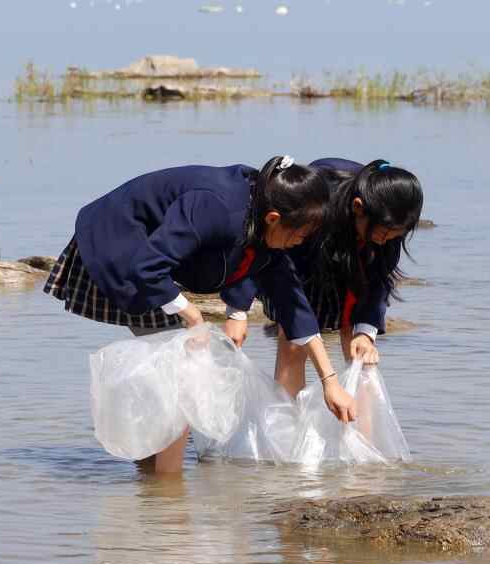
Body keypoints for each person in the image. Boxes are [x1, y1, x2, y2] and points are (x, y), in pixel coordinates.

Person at [44, 156, 357, 472]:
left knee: (174, 377)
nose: (302, 243)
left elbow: (295, 306)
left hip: (156, 263)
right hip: (120, 244)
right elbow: (148, 268)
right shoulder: (216, 207)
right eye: (302, 234)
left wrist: (330, 382)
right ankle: (168, 488)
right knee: (183, 376)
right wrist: (192, 316)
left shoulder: (266, 229)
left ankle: (151, 475)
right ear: (274, 219)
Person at [264, 158, 424, 397]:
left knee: (360, 352)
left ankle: (358, 421)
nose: (387, 240)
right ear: (358, 207)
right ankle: (289, 418)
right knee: (293, 343)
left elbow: (378, 282)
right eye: (384, 233)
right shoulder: (314, 211)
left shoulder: (391, 218)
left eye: (396, 235)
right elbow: (289, 283)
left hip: (349, 252)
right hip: (302, 257)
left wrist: (365, 333)